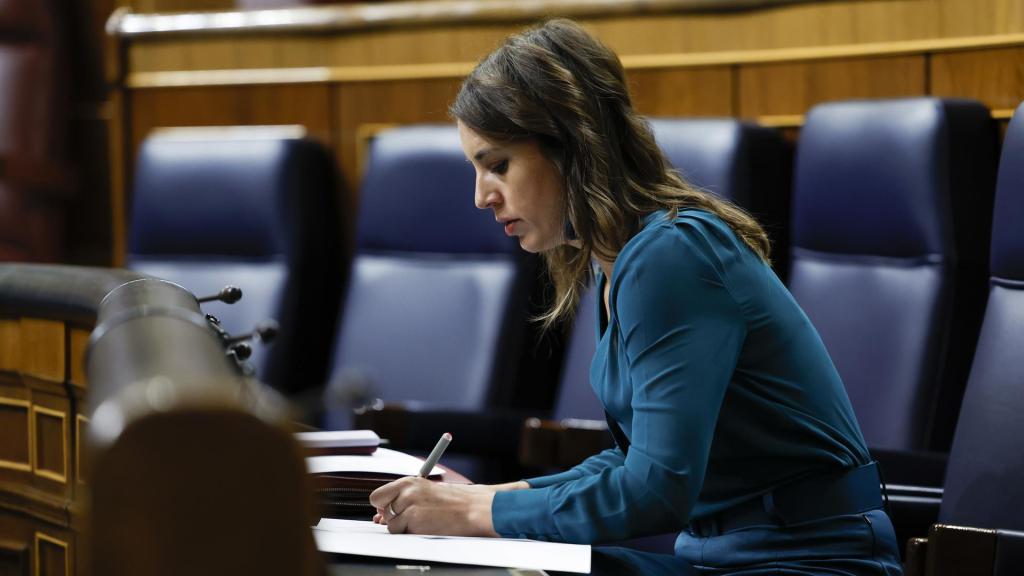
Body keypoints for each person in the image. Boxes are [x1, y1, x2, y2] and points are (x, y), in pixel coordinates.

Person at [369, 18, 903, 575]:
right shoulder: (617, 262)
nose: (481, 197)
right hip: (718, 557)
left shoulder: (670, 256)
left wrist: (482, 509)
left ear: (573, 146)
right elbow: (636, 460)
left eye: (498, 165)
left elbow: (656, 491)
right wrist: (486, 496)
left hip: (810, 562)